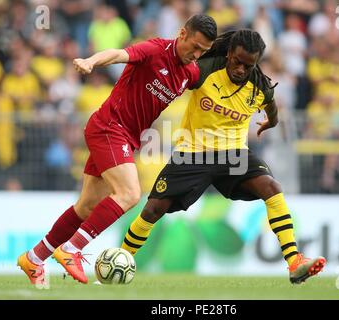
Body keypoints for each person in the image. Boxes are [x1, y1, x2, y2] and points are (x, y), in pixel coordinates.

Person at [17, 14, 217, 285]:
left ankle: (34, 258)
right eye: (193, 46)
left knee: (86, 208)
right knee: (129, 193)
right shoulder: (155, 49)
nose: (196, 54)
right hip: (110, 128)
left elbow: (212, 72)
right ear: (182, 33)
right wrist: (90, 61)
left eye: (202, 51)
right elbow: (118, 54)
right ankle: (71, 249)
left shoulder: (190, 71)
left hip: (125, 137)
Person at [121, 30, 326, 284]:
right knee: (152, 210)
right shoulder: (205, 69)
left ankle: (294, 262)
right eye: (237, 61)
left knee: (272, 188)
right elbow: (173, 76)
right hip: (192, 154)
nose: (241, 69)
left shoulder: (259, 86)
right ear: (229, 53)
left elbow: (272, 109)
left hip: (233, 155)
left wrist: (270, 123)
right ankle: (121, 258)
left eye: (248, 65)